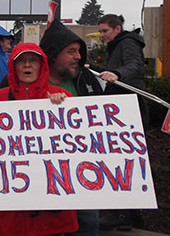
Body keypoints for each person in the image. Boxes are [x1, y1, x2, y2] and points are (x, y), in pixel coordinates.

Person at [0, 42, 78, 236]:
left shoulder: (63, 98)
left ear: (42, 65)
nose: (27, 65)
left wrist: (63, 108)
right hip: (12, 207)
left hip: (50, 214)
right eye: (21, 61)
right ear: (13, 66)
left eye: (33, 61)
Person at [39, 19, 104, 236]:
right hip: (42, 176)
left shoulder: (85, 79)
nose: (78, 57)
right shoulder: (27, 79)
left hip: (84, 173)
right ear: (53, 54)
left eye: (79, 51)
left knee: (87, 224)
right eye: (72, 51)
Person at [88, 14, 148, 231]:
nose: (102, 35)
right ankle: (131, 213)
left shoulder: (127, 44)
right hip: (123, 106)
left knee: (124, 160)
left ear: (117, 28)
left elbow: (136, 66)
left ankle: (123, 213)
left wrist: (117, 74)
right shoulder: (118, 45)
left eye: (105, 31)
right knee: (123, 159)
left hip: (129, 107)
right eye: (101, 31)